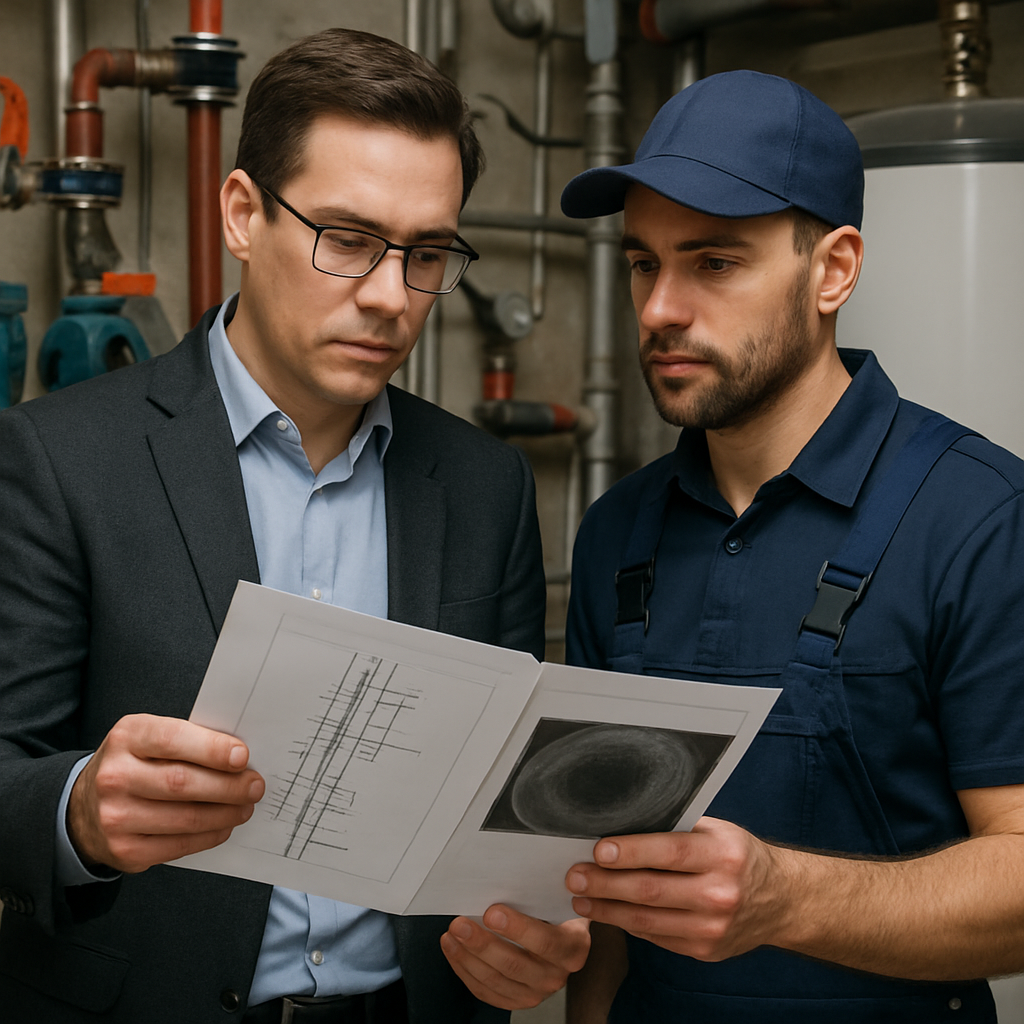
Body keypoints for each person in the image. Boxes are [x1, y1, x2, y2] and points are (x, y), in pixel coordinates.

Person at [0, 28, 587, 1024]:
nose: (389, 296)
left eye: (428, 253)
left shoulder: (484, 484)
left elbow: (498, 807)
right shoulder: (59, 460)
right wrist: (82, 811)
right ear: (241, 213)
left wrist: (529, 927)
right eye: (348, 240)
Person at [557, 70, 1024, 1022]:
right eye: (644, 263)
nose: (658, 311)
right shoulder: (617, 533)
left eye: (715, 263)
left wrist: (787, 900)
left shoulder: (977, 517)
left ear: (834, 270)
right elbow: (603, 911)